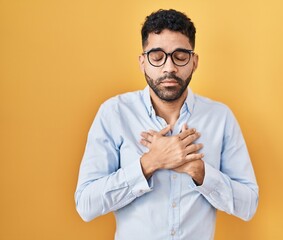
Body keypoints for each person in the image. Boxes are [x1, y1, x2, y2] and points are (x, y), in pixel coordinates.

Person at [75, 9, 258, 240]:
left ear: (194, 62)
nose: (169, 68)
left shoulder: (220, 117)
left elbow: (249, 205)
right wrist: (150, 163)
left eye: (180, 56)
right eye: (157, 56)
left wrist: (199, 172)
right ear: (142, 62)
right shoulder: (114, 113)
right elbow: (86, 205)